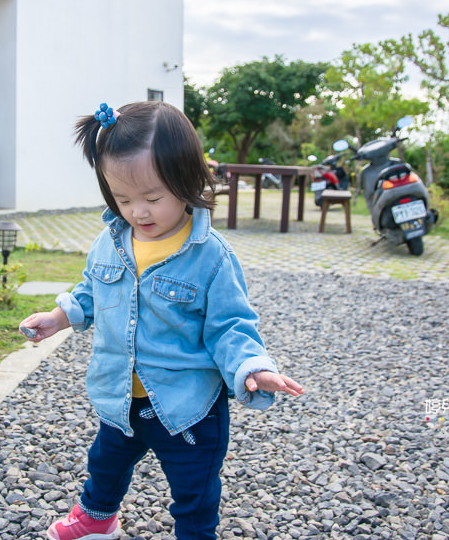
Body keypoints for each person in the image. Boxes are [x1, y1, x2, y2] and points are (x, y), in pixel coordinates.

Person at [19, 101, 304, 540]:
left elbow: (231, 325)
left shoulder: (210, 257)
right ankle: (98, 518)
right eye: (123, 198)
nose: (139, 212)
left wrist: (253, 367)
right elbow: (92, 290)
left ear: (187, 180)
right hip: (120, 394)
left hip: (186, 404)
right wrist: (60, 317)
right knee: (106, 462)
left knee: (194, 488)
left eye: (153, 198)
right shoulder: (110, 241)